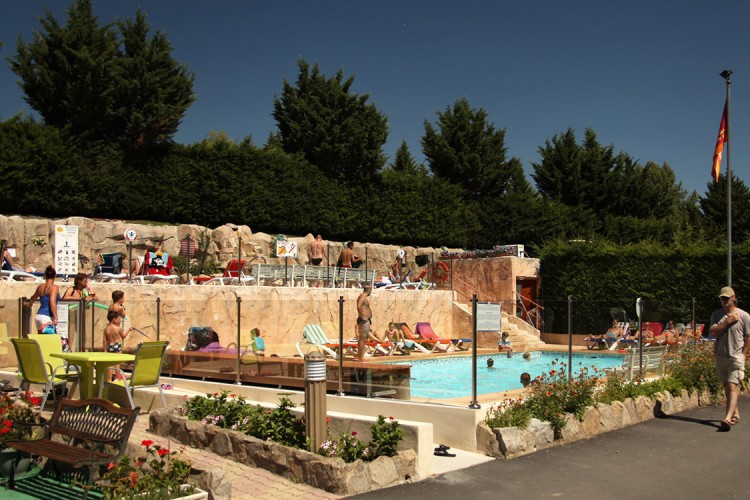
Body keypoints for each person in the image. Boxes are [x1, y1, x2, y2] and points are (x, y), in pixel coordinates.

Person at [709, 286, 750, 431]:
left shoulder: (744, 316)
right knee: (727, 386)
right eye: (722, 298)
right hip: (721, 356)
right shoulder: (717, 315)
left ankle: (727, 418)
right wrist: (727, 322)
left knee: (733, 386)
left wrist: (743, 355)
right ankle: (735, 412)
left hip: (736, 357)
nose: (724, 301)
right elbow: (713, 332)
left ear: (734, 298)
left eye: (727, 298)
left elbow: (748, 337)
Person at [25, 266, 60, 334]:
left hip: (39, 316)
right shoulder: (54, 287)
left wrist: (29, 305)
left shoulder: (40, 287)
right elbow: (52, 302)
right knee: (52, 341)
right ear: (54, 276)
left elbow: (33, 298)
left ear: (45, 275)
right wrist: (56, 318)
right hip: (47, 317)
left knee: (41, 340)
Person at [104, 310, 134, 381]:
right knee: (117, 363)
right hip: (117, 346)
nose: (120, 321)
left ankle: (109, 379)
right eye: (119, 319)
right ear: (114, 319)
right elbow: (123, 336)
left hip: (110, 346)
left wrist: (105, 350)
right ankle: (118, 378)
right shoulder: (118, 328)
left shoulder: (106, 329)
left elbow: (104, 341)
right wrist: (128, 330)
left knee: (110, 363)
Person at [356, 285, 373, 361]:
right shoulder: (362, 297)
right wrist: (363, 316)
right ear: (369, 290)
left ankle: (361, 356)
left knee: (363, 338)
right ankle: (360, 357)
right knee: (362, 339)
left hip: (366, 320)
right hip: (364, 320)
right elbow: (358, 306)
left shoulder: (363, 297)